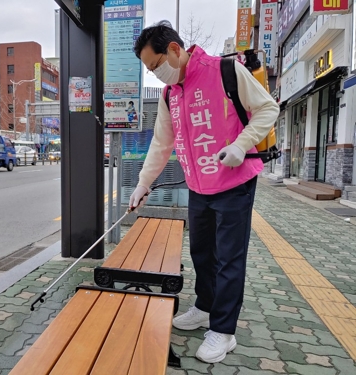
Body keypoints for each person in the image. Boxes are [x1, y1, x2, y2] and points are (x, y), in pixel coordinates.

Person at [130, 21, 279, 364]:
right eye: (150, 71)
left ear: (174, 50)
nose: (156, 75)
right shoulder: (171, 93)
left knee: (229, 258)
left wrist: (242, 145)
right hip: (198, 185)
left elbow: (268, 108)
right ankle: (205, 307)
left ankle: (224, 331)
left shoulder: (225, 70)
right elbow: (162, 142)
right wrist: (143, 182)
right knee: (201, 253)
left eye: (155, 66)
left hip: (234, 182)